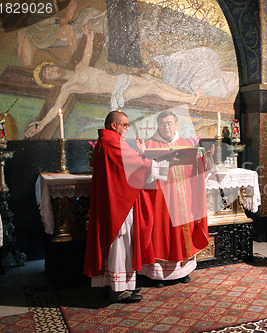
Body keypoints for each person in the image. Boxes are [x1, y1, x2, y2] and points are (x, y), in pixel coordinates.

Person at [25, 24, 202, 138]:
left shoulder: (79, 67)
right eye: (47, 75)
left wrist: (90, 36)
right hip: (119, 91)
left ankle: (189, 96)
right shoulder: (68, 87)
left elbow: (88, 50)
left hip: (121, 80)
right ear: (51, 81)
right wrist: (40, 124)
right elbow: (56, 108)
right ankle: (188, 99)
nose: (50, 71)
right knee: (152, 88)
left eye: (48, 68)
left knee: (151, 81)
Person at [83, 110, 157, 303]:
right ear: (113, 125)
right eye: (124, 125)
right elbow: (137, 166)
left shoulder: (105, 142)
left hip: (115, 200)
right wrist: (145, 156)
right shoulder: (112, 142)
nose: (127, 128)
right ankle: (118, 289)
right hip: (119, 204)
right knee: (121, 244)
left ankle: (123, 284)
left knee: (121, 244)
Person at [138, 110, 210, 286]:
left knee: (182, 233)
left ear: (176, 124)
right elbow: (141, 172)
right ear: (158, 125)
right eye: (163, 124)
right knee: (161, 234)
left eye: (170, 123)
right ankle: (158, 275)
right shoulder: (149, 145)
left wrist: (204, 161)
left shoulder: (184, 143)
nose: (166, 127)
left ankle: (182, 271)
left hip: (183, 197)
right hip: (160, 200)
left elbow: (195, 171)